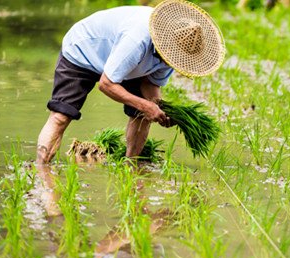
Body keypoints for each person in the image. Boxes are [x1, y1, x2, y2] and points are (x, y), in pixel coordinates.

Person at [35, 0, 225, 165]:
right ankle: (41, 171)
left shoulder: (175, 53)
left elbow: (151, 85)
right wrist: (145, 105)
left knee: (142, 116)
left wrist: (159, 109)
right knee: (61, 116)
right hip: (83, 51)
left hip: (124, 63)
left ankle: (131, 167)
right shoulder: (137, 39)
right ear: (164, 44)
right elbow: (106, 84)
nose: (172, 62)